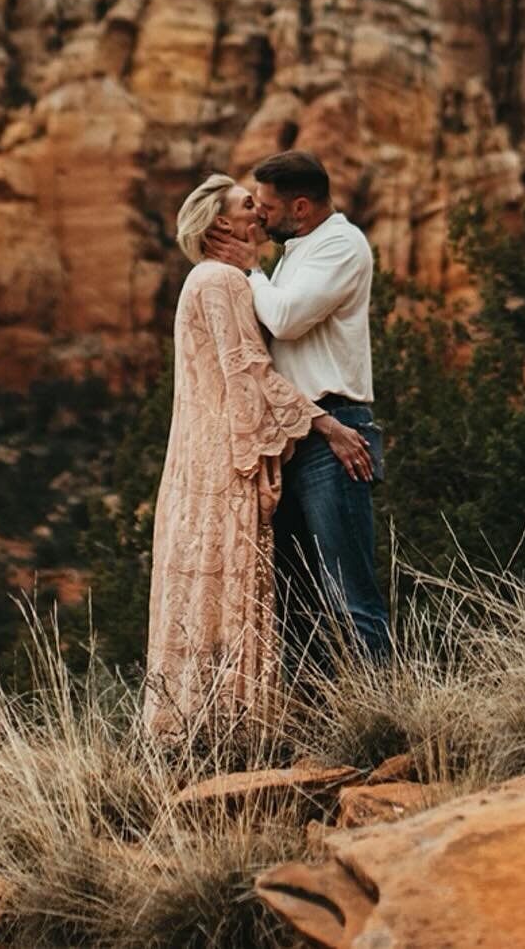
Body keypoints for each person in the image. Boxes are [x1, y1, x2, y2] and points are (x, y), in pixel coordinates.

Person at [143, 172, 371, 735]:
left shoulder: (225, 276)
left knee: (271, 591)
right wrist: (323, 424)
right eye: (249, 205)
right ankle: (234, 723)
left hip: (218, 452)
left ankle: (210, 722)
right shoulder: (221, 280)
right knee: (253, 587)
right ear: (222, 224)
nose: (259, 213)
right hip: (228, 458)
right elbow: (249, 370)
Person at [205, 150, 391, 671]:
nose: (259, 215)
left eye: (265, 206)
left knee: (351, 595)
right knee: (295, 601)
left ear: (301, 207)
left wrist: (249, 269)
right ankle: (314, 724)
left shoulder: (341, 246)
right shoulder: (295, 251)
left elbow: (286, 321)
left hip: (336, 436)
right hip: (292, 434)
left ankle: (385, 718)